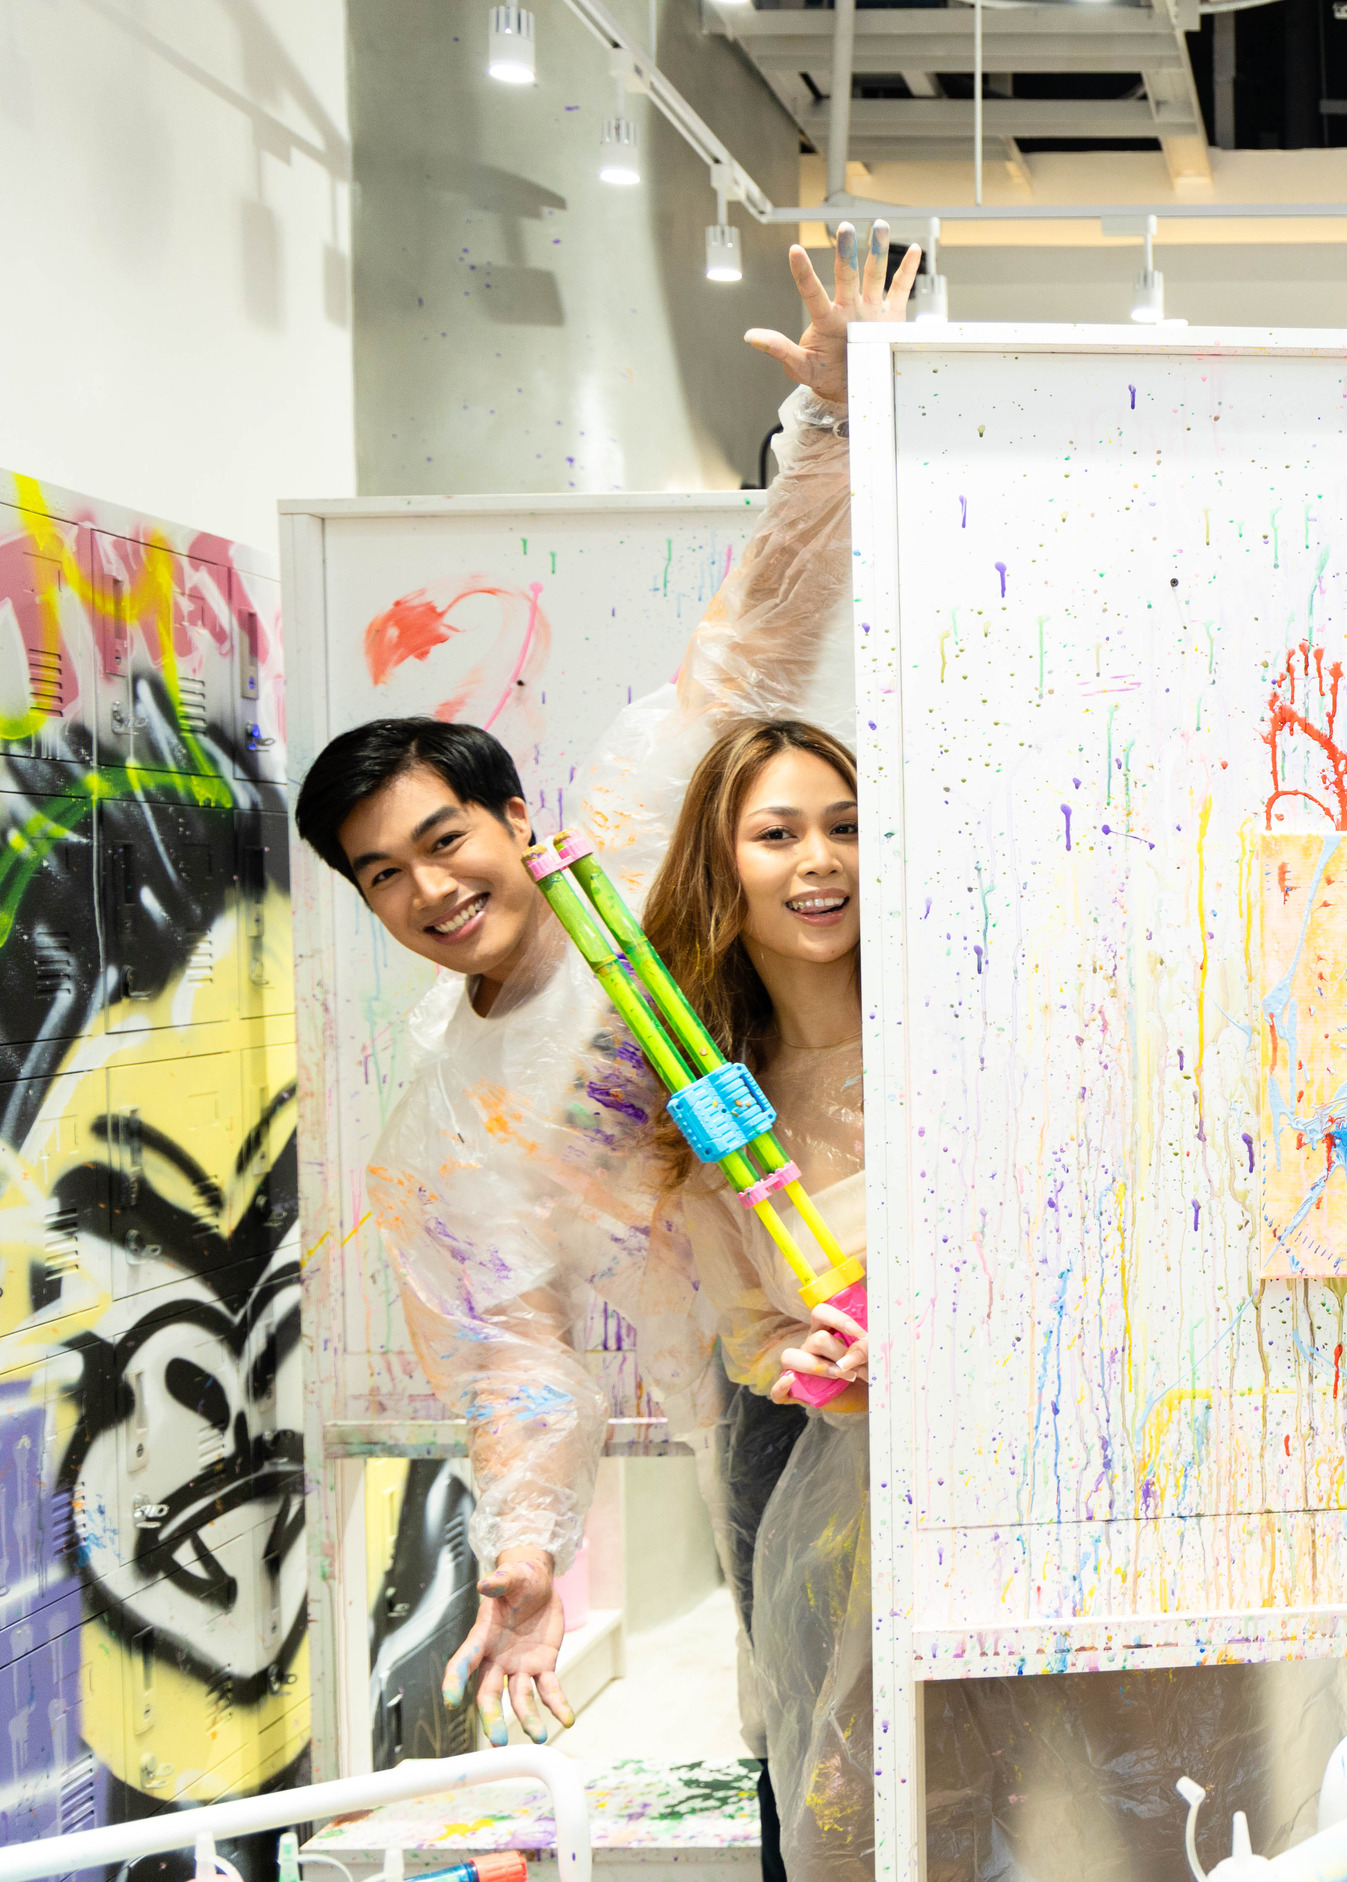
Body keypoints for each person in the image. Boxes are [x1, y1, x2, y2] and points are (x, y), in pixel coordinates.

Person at [291, 222, 920, 1755]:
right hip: (779, 1380)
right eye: (384, 875)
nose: (432, 888)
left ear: (514, 817)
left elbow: (760, 633)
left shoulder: (643, 826)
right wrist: (522, 1546)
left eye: (445, 838)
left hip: (939, 1283)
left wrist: (836, 424)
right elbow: (517, 1350)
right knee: (826, 1753)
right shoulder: (454, 1113)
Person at [642, 718, 1347, 1882]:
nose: (820, 859)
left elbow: (1104, 1235)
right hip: (873, 1520)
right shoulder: (714, 1108)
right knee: (902, 1835)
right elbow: (755, 1337)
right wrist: (816, 1365)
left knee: (1166, 1822)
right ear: (721, 870)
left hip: (1084, 1487)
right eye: (777, 834)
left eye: (847, 826)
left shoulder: (971, 1036)